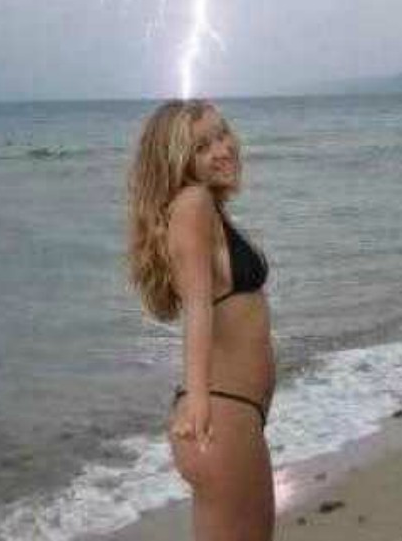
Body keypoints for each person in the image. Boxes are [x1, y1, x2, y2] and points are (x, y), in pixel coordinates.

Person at [128, 99, 276, 541]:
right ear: (177, 161)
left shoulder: (206, 207)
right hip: (219, 414)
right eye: (201, 147)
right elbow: (197, 307)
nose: (223, 149)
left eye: (222, 134)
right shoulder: (193, 203)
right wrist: (198, 401)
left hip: (234, 414)